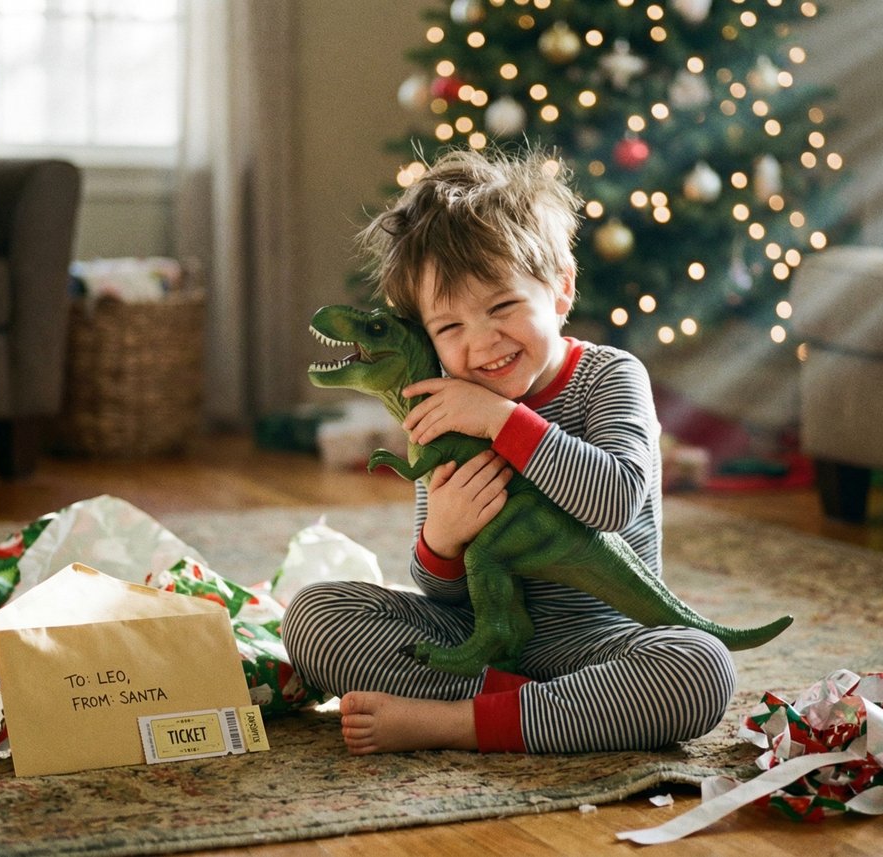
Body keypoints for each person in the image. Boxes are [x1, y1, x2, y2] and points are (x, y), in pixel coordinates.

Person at [282, 146, 735, 754]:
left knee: (700, 668)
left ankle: (459, 723)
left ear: (561, 290)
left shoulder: (611, 376)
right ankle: (531, 709)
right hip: (480, 642)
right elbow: (440, 591)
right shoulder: (442, 408)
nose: (483, 341)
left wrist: (503, 420)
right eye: (449, 327)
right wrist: (441, 538)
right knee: (315, 616)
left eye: (503, 307)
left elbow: (616, 503)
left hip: (603, 645)